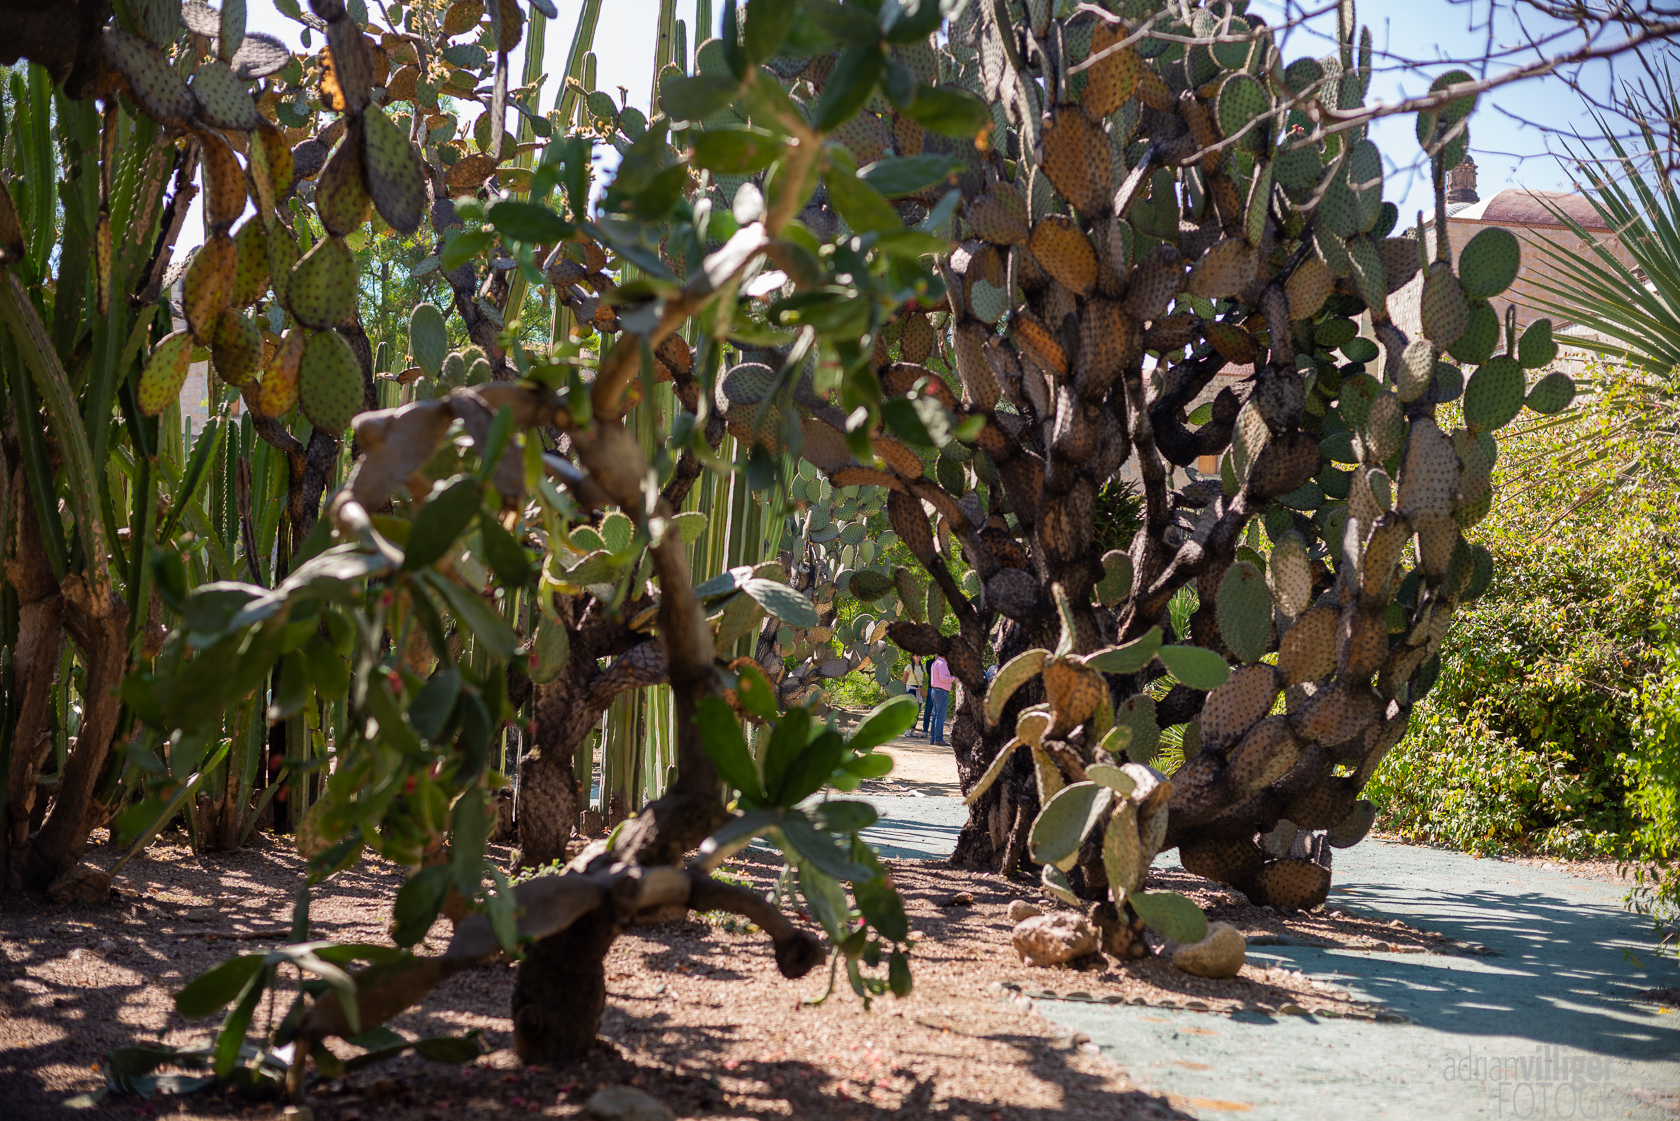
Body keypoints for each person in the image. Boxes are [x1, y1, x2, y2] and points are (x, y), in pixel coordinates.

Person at [927, 653, 953, 746]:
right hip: (941, 691)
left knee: (935, 716)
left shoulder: (935, 663)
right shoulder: (942, 664)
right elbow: (943, 678)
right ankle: (938, 739)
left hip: (935, 690)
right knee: (940, 717)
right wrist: (954, 678)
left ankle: (933, 738)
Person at [901, 659, 926, 737]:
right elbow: (904, 680)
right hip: (910, 689)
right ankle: (906, 729)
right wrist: (904, 692)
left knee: (917, 711)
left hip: (919, 690)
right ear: (913, 656)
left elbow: (922, 678)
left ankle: (913, 730)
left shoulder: (923, 667)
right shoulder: (909, 666)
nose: (918, 656)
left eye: (920, 655)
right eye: (916, 654)